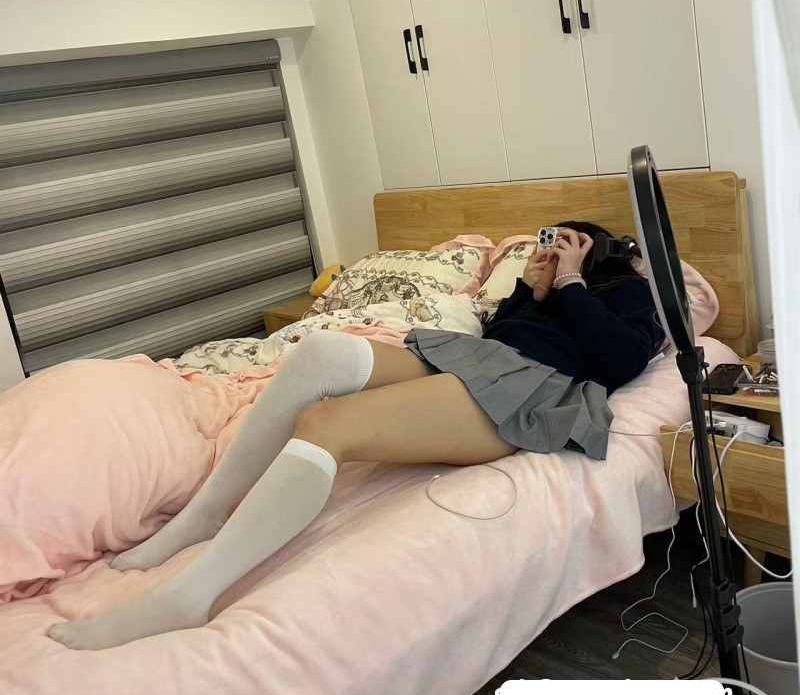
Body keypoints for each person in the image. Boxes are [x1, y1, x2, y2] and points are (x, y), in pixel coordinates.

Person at [48, 224, 664, 650]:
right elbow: (502, 333)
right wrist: (532, 290)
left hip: (531, 391)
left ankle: (190, 595)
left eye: (568, 244)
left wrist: (575, 286)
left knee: (328, 424)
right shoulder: (542, 287)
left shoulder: (629, 293)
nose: (554, 250)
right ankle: (205, 515)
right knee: (320, 351)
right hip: (478, 359)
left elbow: (621, 360)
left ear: (599, 251)